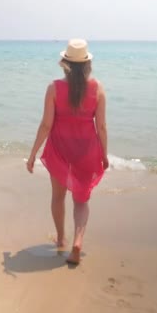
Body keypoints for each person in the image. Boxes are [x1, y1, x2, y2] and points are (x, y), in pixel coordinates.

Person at [27, 39, 109, 265]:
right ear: (87, 65)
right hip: (86, 151)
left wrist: (33, 153)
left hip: (60, 149)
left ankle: (61, 238)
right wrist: (104, 154)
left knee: (58, 197)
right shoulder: (98, 89)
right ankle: (78, 240)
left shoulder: (54, 88)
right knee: (81, 200)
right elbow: (101, 127)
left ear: (65, 63)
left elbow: (45, 125)